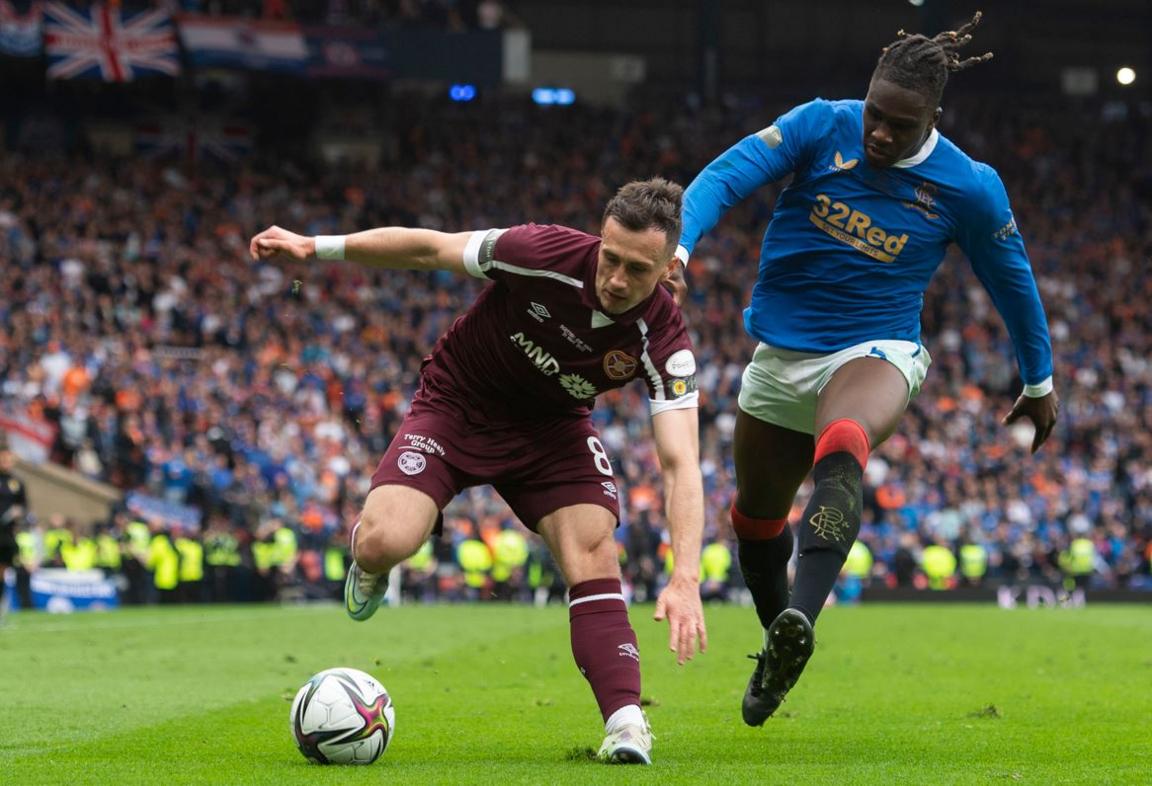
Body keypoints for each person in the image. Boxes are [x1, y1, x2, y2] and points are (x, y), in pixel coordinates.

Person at [675, 11, 1059, 726]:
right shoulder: (823, 124)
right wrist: (680, 247)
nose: (879, 132)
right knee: (754, 522)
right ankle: (781, 643)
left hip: (876, 348)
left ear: (933, 118)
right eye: (875, 114)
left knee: (844, 438)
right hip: (781, 354)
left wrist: (1038, 382)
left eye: (900, 125)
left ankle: (805, 614)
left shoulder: (970, 187)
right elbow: (728, 176)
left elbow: (1015, 285)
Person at [249, 178, 707, 765]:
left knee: (594, 548)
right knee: (387, 540)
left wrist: (686, 575)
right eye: (610, 258)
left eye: (637, 270)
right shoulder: (539, 253)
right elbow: (429, 249)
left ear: (668, 265)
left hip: (552, 430)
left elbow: (679, 462)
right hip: (458, 403)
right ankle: (371, 564)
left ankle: (625, 723)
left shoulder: (665, 340)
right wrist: (316, 248)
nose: (616, 279)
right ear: (600, 237)